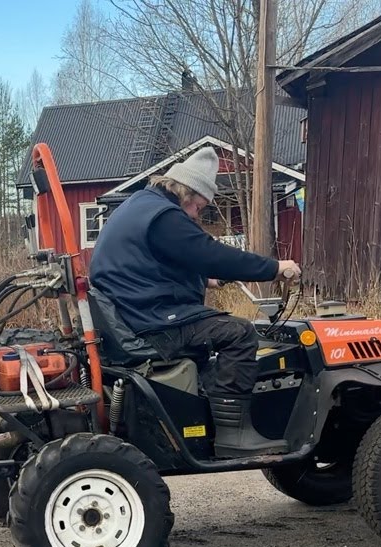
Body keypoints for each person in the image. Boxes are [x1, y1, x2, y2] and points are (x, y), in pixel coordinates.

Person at [89, 146, 300, 457]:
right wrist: (274, 268)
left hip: (132, 312)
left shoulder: (139, 205)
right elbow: (209, 254)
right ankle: (233, 434)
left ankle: (207, 412)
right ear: (188, 193)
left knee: (212, 332)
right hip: (151, 321)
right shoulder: (165, 217)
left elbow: (151, 264)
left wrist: (205, 280)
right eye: (200, 207)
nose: (197, 215)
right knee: (239, 333)